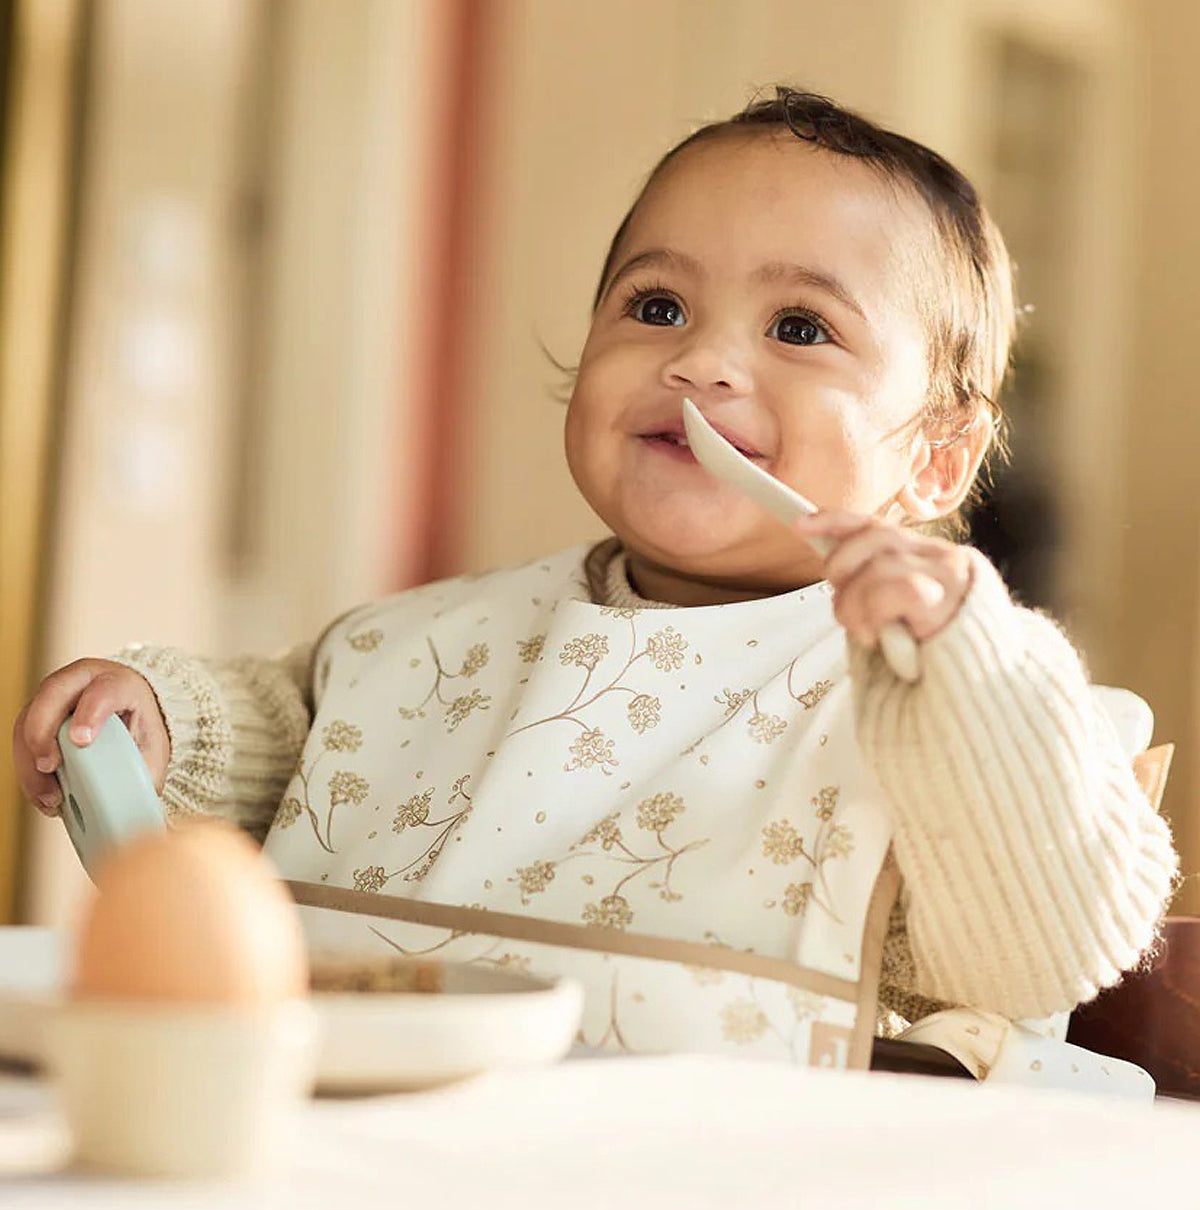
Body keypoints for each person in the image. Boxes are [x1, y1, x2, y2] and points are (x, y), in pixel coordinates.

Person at [12, 88, 1178, 1061]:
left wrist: (968, 673)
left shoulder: (960, 705)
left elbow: (1046, 943)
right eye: (657, 304)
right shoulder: (438, 640)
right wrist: (173, 726)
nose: (701, 359)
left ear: (939, 454)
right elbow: (306, 740)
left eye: (801, 328)